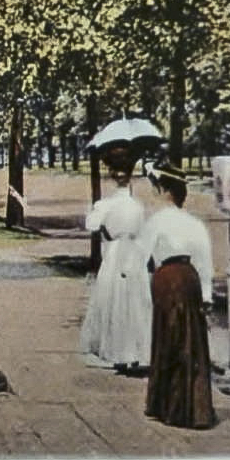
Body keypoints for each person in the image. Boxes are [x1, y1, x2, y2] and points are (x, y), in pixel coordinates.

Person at [139, 161, 217, 429]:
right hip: (190, 279)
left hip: (167, 280)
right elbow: (205, 261)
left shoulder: (156, 221)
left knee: (167, 340)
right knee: (191, 342)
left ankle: (167, 405)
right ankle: (196, 408)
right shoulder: (195, 224)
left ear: (163, 190)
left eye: (155, 188)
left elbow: (141, 256)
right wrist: (206, 296)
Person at [78, 145, 152, 369]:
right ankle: (135, 349)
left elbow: (90, 225)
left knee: (112, 298)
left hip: (114, 252)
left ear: (111, 176)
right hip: (134, 252)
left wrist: (101, 222)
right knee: (135, 299)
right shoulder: (137, 206)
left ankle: (115, 348)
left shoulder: (106, 205)